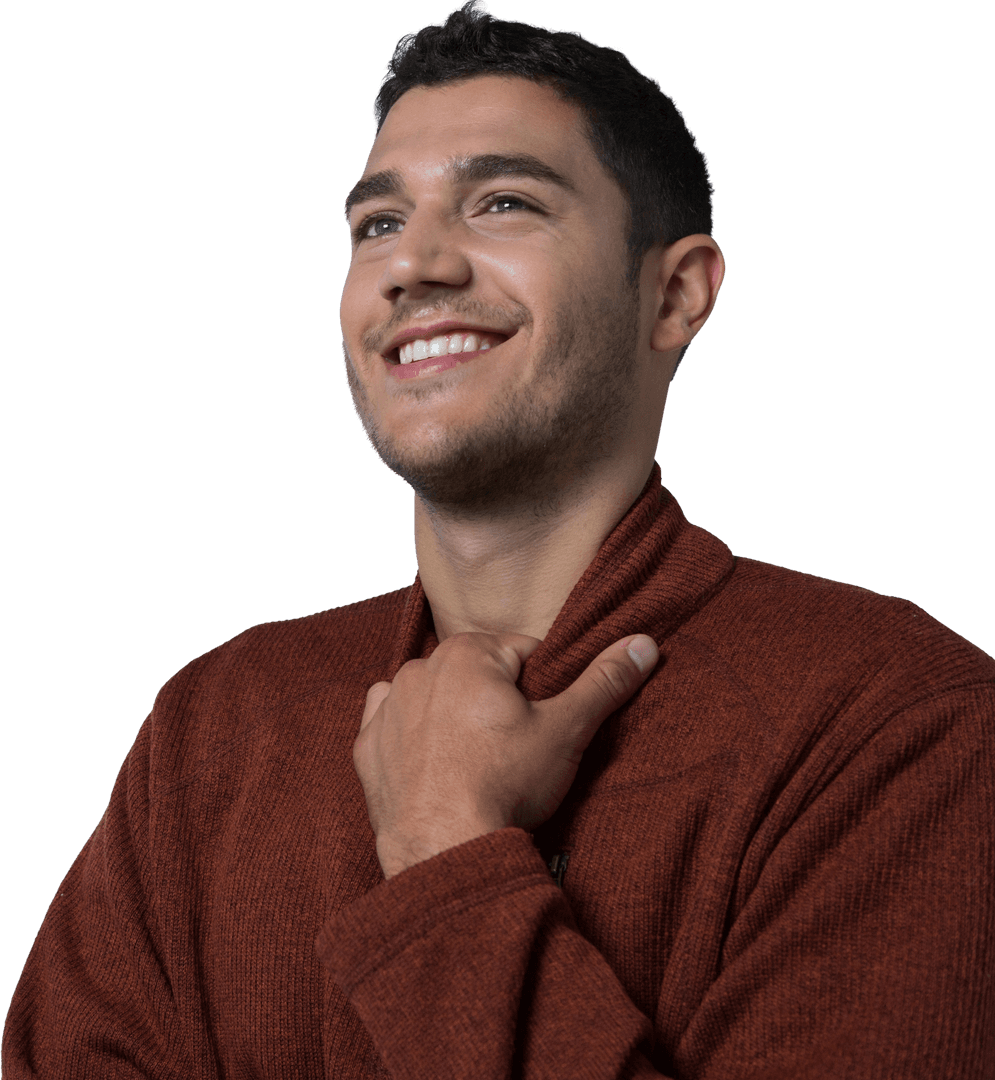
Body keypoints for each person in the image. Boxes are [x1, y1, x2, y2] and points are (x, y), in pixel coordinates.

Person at [4, 3, 993, 1077]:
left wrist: (446, 849)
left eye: (503, 203)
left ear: (673, 294)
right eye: (377, 225)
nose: (413, 265)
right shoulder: (216, 725)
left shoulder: (897, 727)